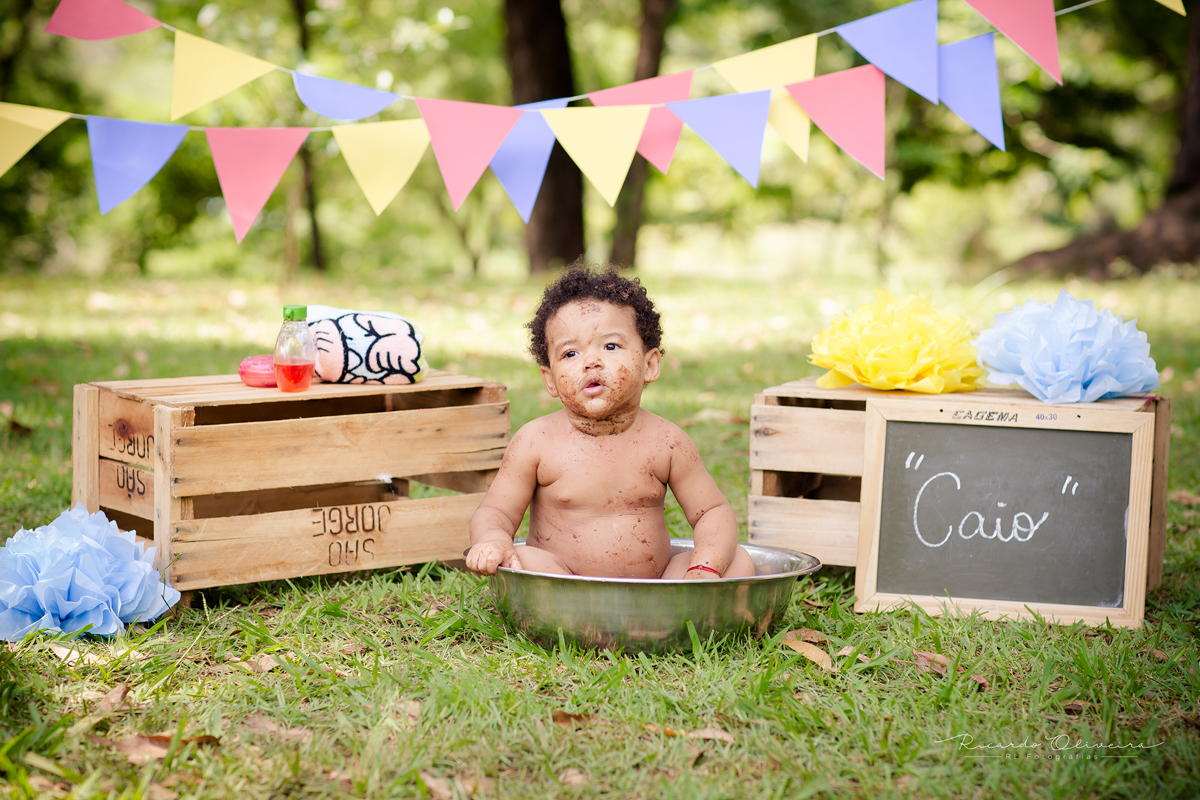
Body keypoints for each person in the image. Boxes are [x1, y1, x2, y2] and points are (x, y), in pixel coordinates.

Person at [465, 265, 755, 580]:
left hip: (656, 586)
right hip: (563, 583)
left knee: (737, 559)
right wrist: (493, 539)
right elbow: (495, 512)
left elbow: (712, 512)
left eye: (611, 346)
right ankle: (574, 616)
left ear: (650, 365)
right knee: (520, 560)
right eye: (570, 353)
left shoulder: (667, 442)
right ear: (549, 379)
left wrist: (704, 567)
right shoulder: (536, 441)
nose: (591, 361)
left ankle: (672, 612)